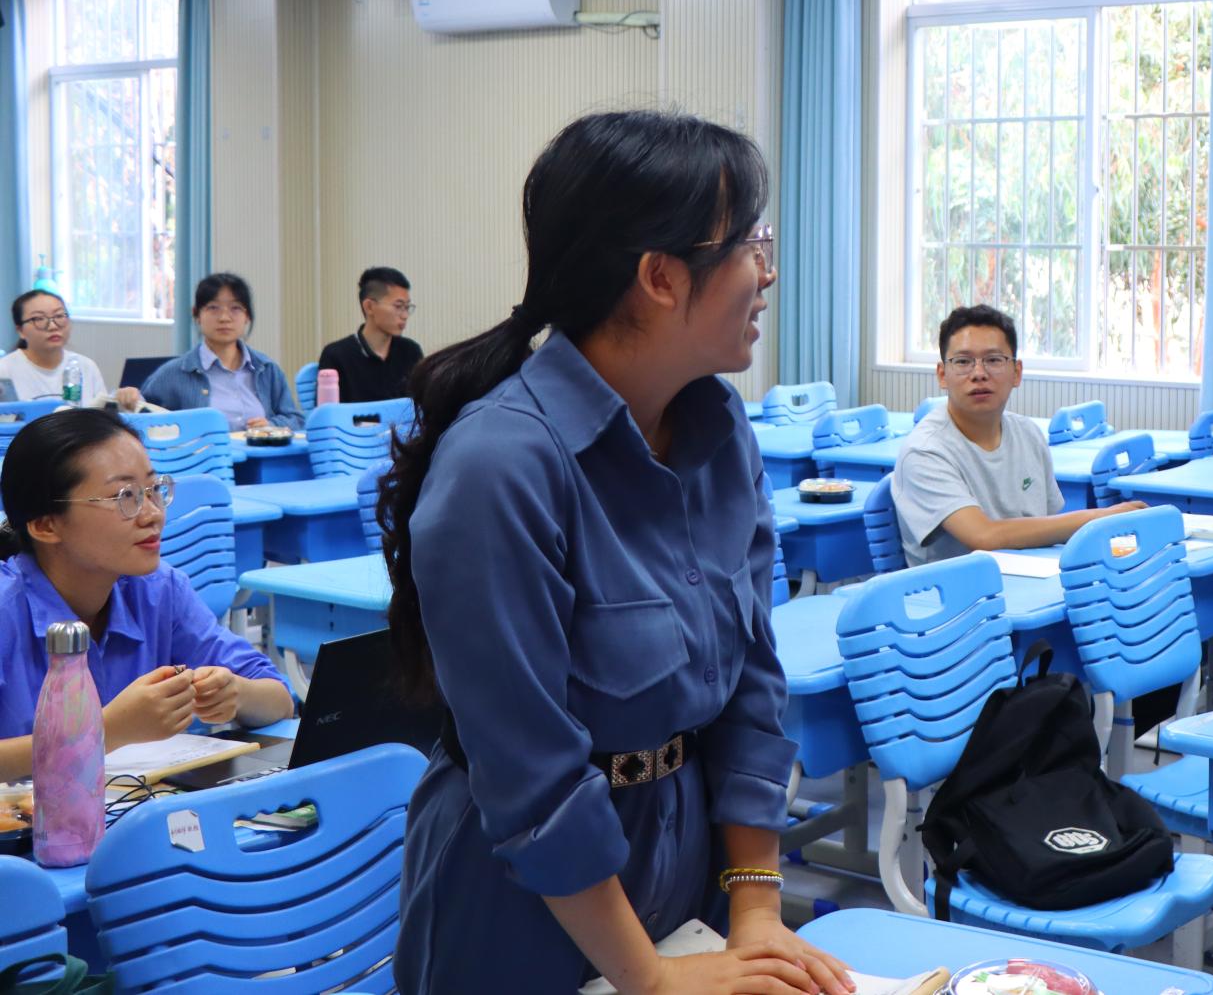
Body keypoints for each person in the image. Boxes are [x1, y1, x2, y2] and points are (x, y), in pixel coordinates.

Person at [378, 111, 850, 995]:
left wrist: (752, 902)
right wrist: (656, 982)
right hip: (522, 899)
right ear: (661, 277)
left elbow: (752, 671)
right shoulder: (502, 467)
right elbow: (533, 777)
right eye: (752, 242)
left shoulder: (715, 424)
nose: (768, 270)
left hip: (683, 860)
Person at [0, 409, 293, 780]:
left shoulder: (159, 591)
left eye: (154, 490)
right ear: (46, 525)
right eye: (125, 497)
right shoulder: (6, 611)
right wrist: (108, 730)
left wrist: (236, 693)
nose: (152, 514)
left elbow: (279, 699)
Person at [891, 305, 1144, 566]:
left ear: (1017, 372)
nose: (979, 373)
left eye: (993, 360)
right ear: (942, 375)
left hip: (1033, 583)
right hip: (957, 597)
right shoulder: (925, 450)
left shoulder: (1028, 434)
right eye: (963, 361)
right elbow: (984, 536)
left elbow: (1048, 526)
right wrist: (1102, 517)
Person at [140, 274, 303, 430]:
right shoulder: (175, 373)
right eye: (213, 308)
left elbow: (295, 420)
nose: (224, 317)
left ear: (247, 317)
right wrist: (129, 398)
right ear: (196, 315)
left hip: (261, 456)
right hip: (202, 458)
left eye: (235, 308)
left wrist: (271, 426)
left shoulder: (266, 369)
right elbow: (140, 414)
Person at [0, 291, 141, 409]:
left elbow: (100, 418)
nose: (52, 326)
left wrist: (124, 399)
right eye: (39, 319)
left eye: (59, 316)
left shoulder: (86, 366)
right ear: (20, 331)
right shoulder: (4, 370)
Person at [317, 266, 424, 403]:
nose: (404, 315)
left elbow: (422, 406)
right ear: (369, 307)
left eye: (407, 307)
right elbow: (329, 415)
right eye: (398, 306)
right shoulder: (336, 355)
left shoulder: (411, 351)